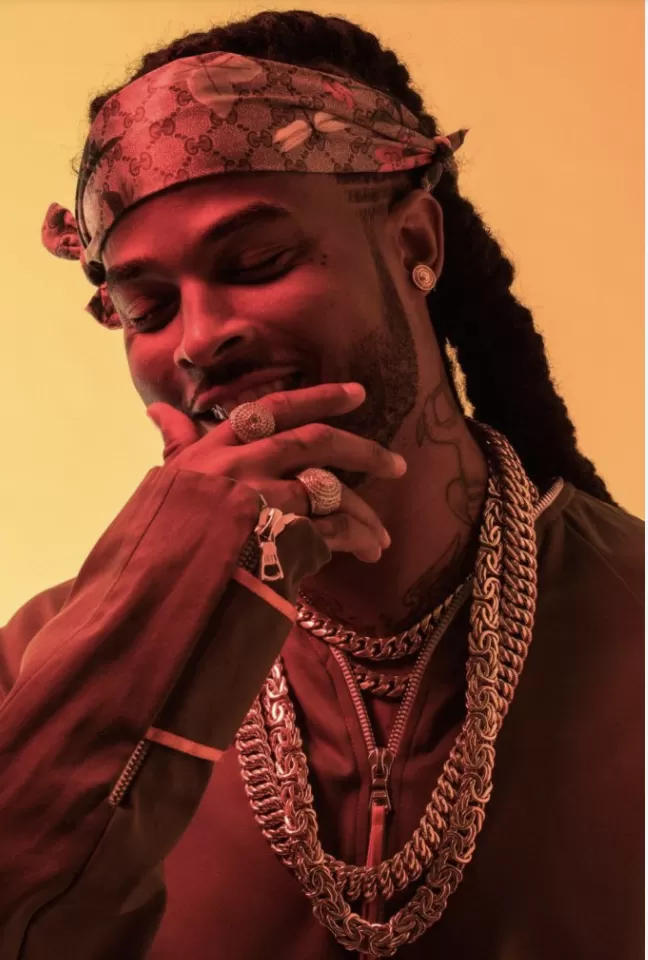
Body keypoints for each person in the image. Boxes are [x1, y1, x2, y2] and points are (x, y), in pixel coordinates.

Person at [0, 9, 642, 960]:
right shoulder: (44, 659)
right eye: (147, 306)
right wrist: (149, 613)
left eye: (257, 263)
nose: (198, 339)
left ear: (416, 241)